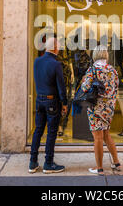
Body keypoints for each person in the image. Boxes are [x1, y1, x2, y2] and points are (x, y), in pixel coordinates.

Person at [29, 37, 68, 174]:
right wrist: (65, 103)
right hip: (52, 101)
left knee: (38, 131)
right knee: (51, 133)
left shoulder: (37, 61)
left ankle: (32, 162)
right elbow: (61, 87)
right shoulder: (56, 64)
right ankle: (48, 163)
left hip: (39, 100)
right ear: (55, 48)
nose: (59, 49)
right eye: (58, 47)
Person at [80, 45, 121, 175]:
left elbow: (85, 88)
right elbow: (116, 88)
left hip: (95, 107)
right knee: (107, 134)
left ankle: (99, 168)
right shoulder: (112, 70)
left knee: (97, 137)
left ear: (95, 55)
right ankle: (116, 163)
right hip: (109, 108)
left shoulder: (93, 70)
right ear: (106, 55)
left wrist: (83, 81)